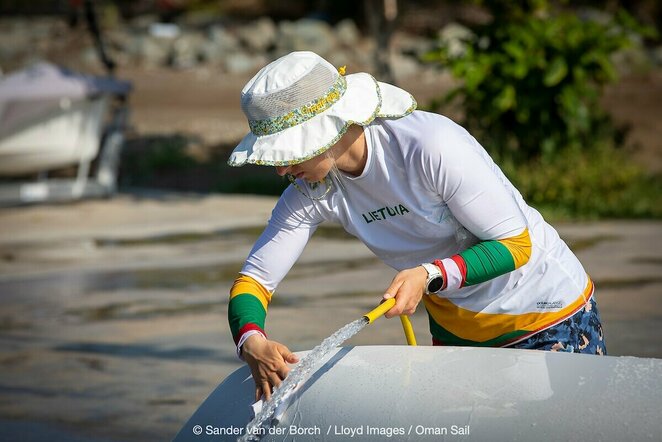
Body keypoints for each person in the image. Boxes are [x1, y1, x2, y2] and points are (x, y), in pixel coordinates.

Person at [226, 51, 607, 401]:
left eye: (287, 152)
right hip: (458, 331)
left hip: (547, 312)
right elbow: (253, 282)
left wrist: (427, 275)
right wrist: (251, 341)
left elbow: (515, 246)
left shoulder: (429, 145)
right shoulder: (311, 189)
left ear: (328, 128)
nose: (280, 169)